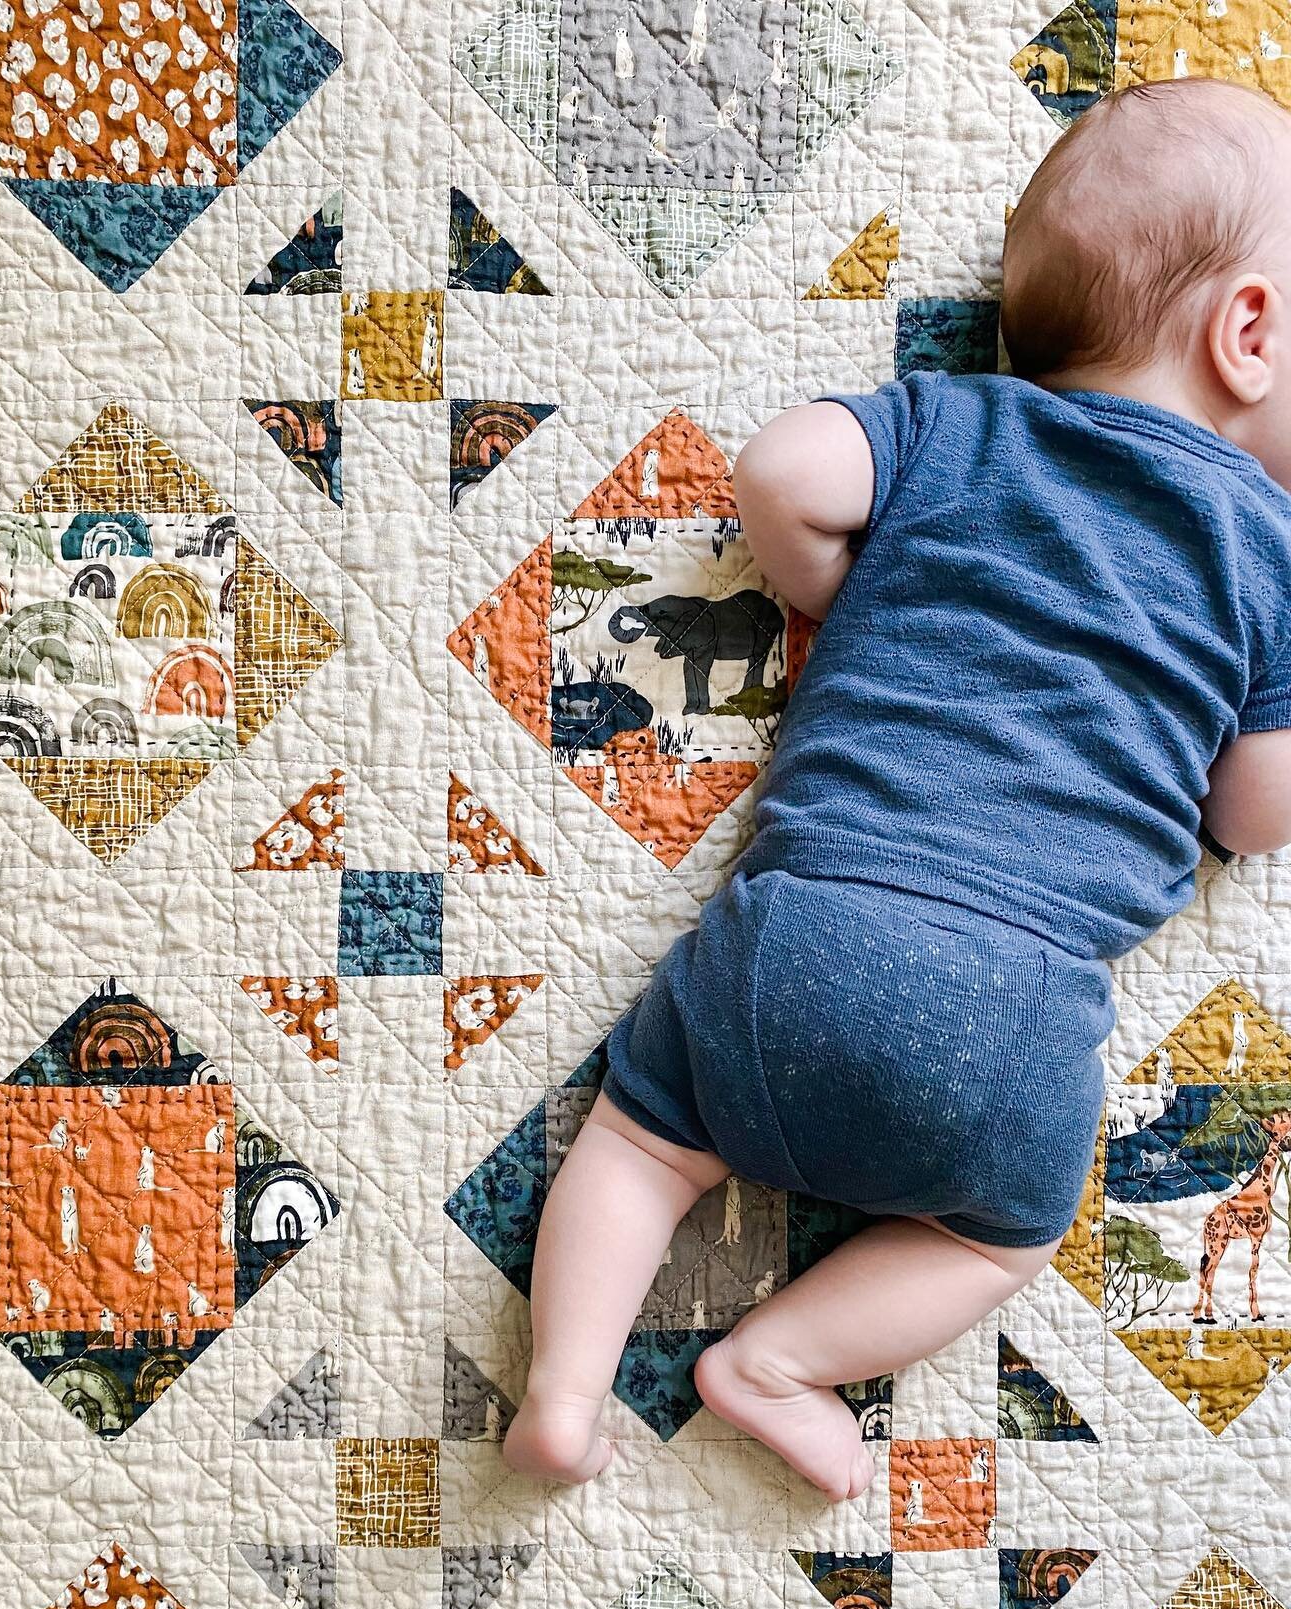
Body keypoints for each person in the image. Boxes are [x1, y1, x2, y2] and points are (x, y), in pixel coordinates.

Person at [501, 77, 1291, 1498]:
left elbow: (784, 467)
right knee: (1004, 1237)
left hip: (801, 939)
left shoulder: (960, 428)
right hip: (1017, 1023)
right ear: (1248, 333)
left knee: (635, 1142)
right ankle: (776, 1364)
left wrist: (848, 593)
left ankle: (562, 1391)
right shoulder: (1276, 564)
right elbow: (1249, 813)